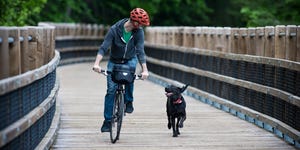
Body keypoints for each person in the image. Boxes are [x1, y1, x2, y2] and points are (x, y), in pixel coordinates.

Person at [92, 8, 150, 132]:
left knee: (130, 77)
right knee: (111, 90)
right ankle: (107, 121)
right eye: (140, 24)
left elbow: (140, 51)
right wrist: (96, 63)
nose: (141, 27)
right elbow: (104, 47)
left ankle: (129, 100)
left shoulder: (138, 32)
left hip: (130, 59)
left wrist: (145, 70)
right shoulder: (114, 30)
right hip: (114, 61)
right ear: (134, 22)